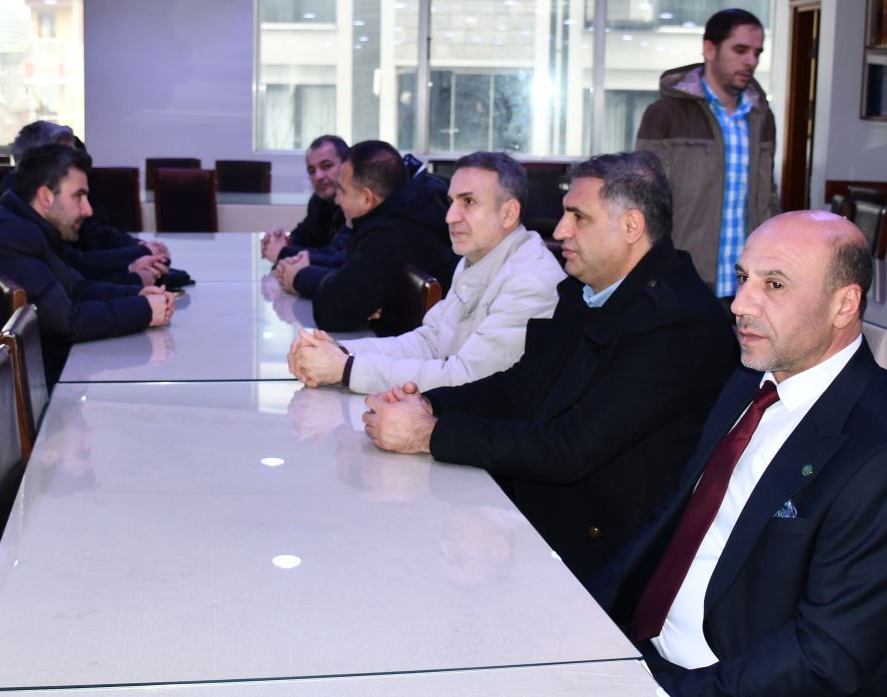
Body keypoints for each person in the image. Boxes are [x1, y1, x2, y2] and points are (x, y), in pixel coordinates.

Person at [596, 211, 887, 697]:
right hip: (658, 664)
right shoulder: (752, 378)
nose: (739, 304)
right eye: (742, 277)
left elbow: (823, 658)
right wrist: (585, 617)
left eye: (774, 284)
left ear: (844, 304)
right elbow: (675, 518)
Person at [360, 152, 736, 581]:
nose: (559, 231)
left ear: (631, 226)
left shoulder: (676, 323)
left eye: (578, 217)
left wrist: (428, 434)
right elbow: (523, 385)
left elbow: (570, 448)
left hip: (603, 553)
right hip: (545, 506)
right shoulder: (590, 288)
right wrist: (429, 404)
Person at [0, 143, 173, 443]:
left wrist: (138, 295)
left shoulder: (21, 224)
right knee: (119, 418)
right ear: (45, 196)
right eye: (79, 196)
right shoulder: (9, 233)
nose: (88, 210)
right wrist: (145, 311)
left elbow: (75, 288)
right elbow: (67, 322)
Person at [288, 150, 562, 394]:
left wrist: (347, 369)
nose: (450, 216)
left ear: (509, 213)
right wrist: (341, 351)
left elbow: (467, 378)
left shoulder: (529, 281)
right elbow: (430, 342)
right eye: (451, 201)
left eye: (468, 202)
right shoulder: (478, 257)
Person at [636, 8, 780, 299]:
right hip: (683, 284)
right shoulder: (664, 114)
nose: (751, 61)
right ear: (709, 49)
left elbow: (768, 199)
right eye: (740, 50)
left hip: (749, 286)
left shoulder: (762, 117)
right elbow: (642, 200)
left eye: (757, 53)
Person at [274, 139, 457, 334]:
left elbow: (332, 310)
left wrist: (298, 277)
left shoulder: (391, 232)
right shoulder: (406, 208)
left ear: (367, 198)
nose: (337, 199)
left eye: (342, 191)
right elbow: (349, 271)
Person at [3, 121, 170, 286]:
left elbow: (97, 232)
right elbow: (75, 271)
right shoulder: (20, 216)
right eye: (66, 157)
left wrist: (138, 247)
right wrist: (136, 265)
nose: (87, 210)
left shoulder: (68, 190)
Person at [262, 135, 350, 267]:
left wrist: (283, 252)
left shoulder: (356, 205)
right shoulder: (318, 201)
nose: (318, 176)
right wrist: (285, 241)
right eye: (312, 170)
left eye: (326, 166)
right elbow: (304, 234)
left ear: (346, 165)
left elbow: (336, 257)